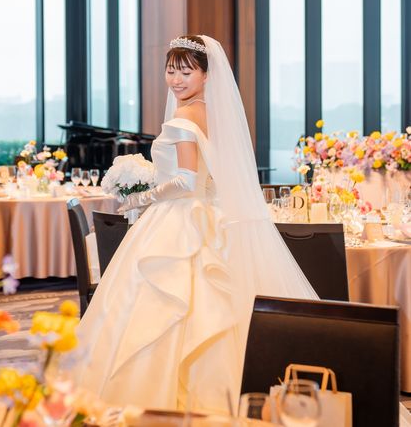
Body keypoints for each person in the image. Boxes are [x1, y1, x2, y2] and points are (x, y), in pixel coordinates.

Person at [74, 35, 317, 413]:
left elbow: (186, 181)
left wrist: (141, 198)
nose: (176, 80)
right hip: (208, 215)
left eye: (186, 72)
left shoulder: (182, 119)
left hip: (179, 219)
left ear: (206, 75)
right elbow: (207, 177)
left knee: (162, 304)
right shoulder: (213, 115)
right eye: (171, 71)